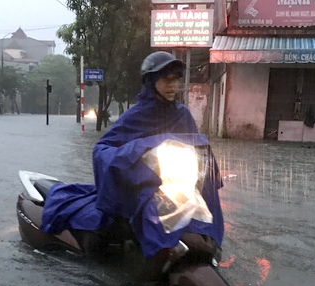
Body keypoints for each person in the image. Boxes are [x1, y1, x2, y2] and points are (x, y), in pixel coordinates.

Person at [41, 51, 224, 258]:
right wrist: (135, 152)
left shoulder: (183, 115)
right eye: (166, 79)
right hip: (143, 186)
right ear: (151, 81)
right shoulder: (135, 116)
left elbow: (196, 146)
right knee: (105, 234)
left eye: (176, 79)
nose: (172, 85)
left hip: (174, 186)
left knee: (201, 218)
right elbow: (102, 149)